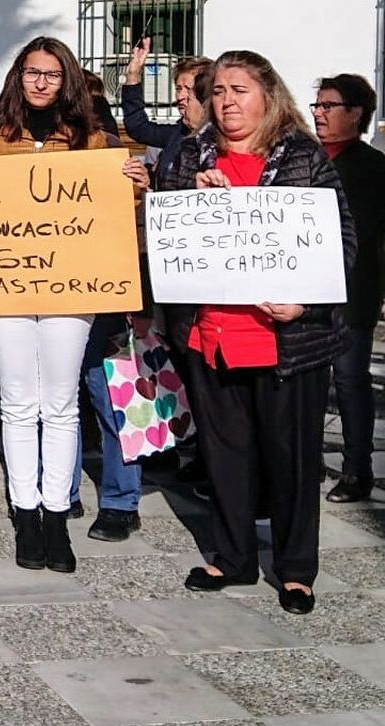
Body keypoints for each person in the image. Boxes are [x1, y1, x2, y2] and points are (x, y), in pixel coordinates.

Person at [162, 51, 356, 614]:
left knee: (291, 459)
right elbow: (166, 233)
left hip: (285, 343)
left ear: (268, 95)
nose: (227, 102)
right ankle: (232, 555)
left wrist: (305, 304)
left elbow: (341, 243)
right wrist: (187, 202)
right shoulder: (191, 153)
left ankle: (296, 570)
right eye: (218, 91)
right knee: (225, 456)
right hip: (212, 335)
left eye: (240, 90)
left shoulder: (302, 156)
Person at [0, 36, 150, 574]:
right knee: (19, 401)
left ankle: (55, 513)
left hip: (75, 287)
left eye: (51, 73)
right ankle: (27, 513)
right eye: (31, 72)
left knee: (62, 401)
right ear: (17, 77)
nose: (40, 82)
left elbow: (121, 205)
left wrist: (138, 183)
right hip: (4, 286)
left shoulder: (97, 139)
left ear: (66, 79)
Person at [310, 74, 384, 504]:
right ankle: (310, 460)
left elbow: (356, 229)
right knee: (309, 381)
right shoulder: (309, 159)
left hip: (352, 294)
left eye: (328, 106)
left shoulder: (372, 168)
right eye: (317, 105)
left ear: (355, 114)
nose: (318, 113)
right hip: (307, 293)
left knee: (351, 379)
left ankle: (359, 469)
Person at [121, 38, 212, 182]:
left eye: (188, 89)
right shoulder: (178, 132)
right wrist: (133, 75)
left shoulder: (219, 138)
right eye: (178, 89)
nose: (181, 96)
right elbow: (138, 128)